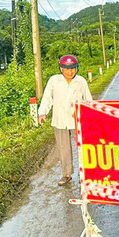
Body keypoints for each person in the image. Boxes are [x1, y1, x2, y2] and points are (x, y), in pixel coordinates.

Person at [38, 55, 93, 186]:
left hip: (78, 119)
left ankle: (86, 174)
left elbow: (88, 99)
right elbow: (47, 98)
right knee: (64, 148)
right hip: (60, 119)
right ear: (61, 69)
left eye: (73, 68)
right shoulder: (54, 81)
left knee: (83, 147)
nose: (70, 72)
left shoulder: (81, 81)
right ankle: (66, 174)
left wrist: (91, 116)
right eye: (67, 69)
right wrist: (42, 112)